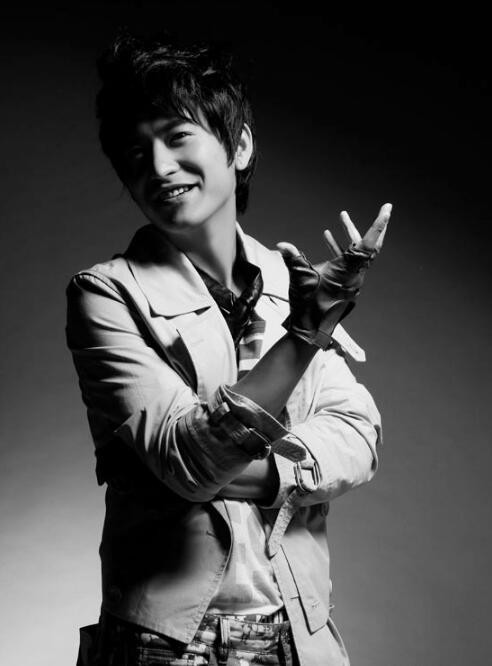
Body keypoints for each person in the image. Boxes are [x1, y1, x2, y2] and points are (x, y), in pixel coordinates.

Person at [66, 29, 392, 666]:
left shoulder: (293, 279)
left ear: (239, 146)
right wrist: (304, 335)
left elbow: (359, 435)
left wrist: (261, 476)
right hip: (161, 642)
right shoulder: (105, 295)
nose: (159, 166)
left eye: (177, 136)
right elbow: (188, 460)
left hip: (297, 633)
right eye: (135, 151)